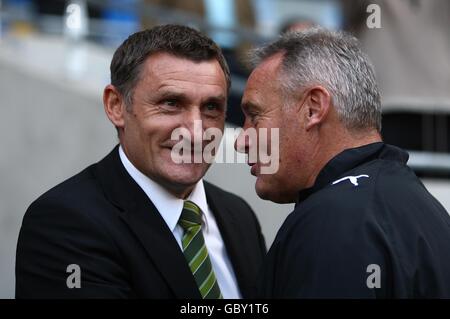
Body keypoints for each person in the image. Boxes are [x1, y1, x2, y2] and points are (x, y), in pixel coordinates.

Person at [16, 25, 266, 299]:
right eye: (171, 103)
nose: (195, 131)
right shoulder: (63, 224)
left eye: (211, 108)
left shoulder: (239, 216)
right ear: (116, 106)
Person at [235, 28, 450, 298]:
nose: (241, 141)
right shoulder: (421, 205)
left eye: (254, 116)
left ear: (313, 108)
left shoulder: (331, 223)